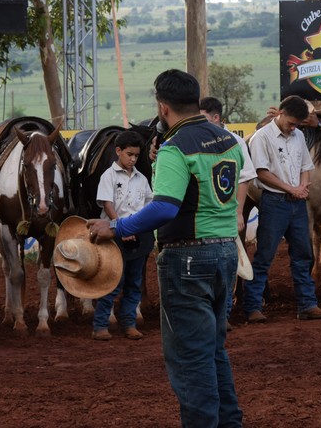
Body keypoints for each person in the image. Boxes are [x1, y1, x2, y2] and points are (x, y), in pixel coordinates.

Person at [87, 69, 244, 427]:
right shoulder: (229, 140)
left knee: (190, 357)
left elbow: (164, 208)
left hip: (188, 259)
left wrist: (115, 226)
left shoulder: (176, 146)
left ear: (163, 107)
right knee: (214, 350)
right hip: (225, 253)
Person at [242, 95, 321, 322]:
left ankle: (307, 305)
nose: (293, 128)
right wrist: (292, 189)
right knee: (265, 255)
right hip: (274, 201)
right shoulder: (261, 137)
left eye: (297, 124)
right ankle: (252, 307)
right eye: (291, 123)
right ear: (280, 113)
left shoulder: (298, 135)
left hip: (297, 202)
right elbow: (261, 172)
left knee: (303, 254)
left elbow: (306, 166)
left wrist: (302, 187)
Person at [199, 96, 257, 325]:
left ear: (216, 118)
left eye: (203, 118)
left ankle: (223, 316)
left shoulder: (235, 142)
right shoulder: (194, 139)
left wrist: (239, 212)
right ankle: (208, 316)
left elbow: (244, 178)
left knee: (227, 264)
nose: (198, 122)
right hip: (203, 215)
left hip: (226, 213)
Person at [92, 130, 154, 341]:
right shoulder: (108, 176)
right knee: (112, 281)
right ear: (118, 151)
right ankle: (100, 325)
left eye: (136, 155)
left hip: (137, 237)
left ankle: (129, 323)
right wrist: (122, 227)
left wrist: (136, 228)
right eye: (129, 154)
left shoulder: (142, 179)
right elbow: (107, 204)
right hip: (115, 236)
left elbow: (148, 205)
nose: (133, 159)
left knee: (134, 282)